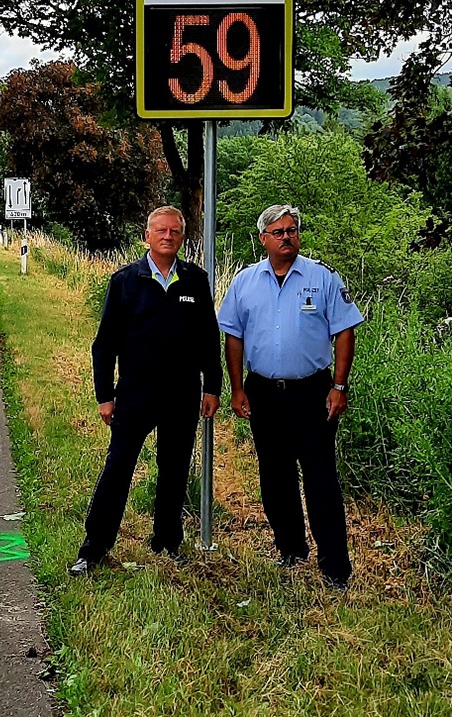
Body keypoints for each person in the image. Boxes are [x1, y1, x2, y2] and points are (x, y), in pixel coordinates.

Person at [69, 206, 222, 576]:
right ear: (147, 236)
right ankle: (93, 549)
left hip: (183, 394)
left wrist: (213, 387)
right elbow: (104, 344)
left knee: (174, 470)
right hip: (135, 394)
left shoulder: (195, 281)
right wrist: (105, 395)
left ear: (183, 238)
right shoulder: (126, 280)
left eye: (174, 231)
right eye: (160, 231)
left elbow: (208, 339)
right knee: (118, 468)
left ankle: (167, 542)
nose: (167, 236)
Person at [218, 204, 364, 590]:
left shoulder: (323, 277)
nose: (287, 237)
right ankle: (291, 550)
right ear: (263, 239)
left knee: (320, 478)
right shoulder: (245, 282)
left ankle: (334, 566)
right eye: (279, 232)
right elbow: (233, 336)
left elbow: (345, 330)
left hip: (313, 393)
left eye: (292, 230)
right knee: (275, 475)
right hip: (264, 392)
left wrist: (339, 385)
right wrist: (237, 388)